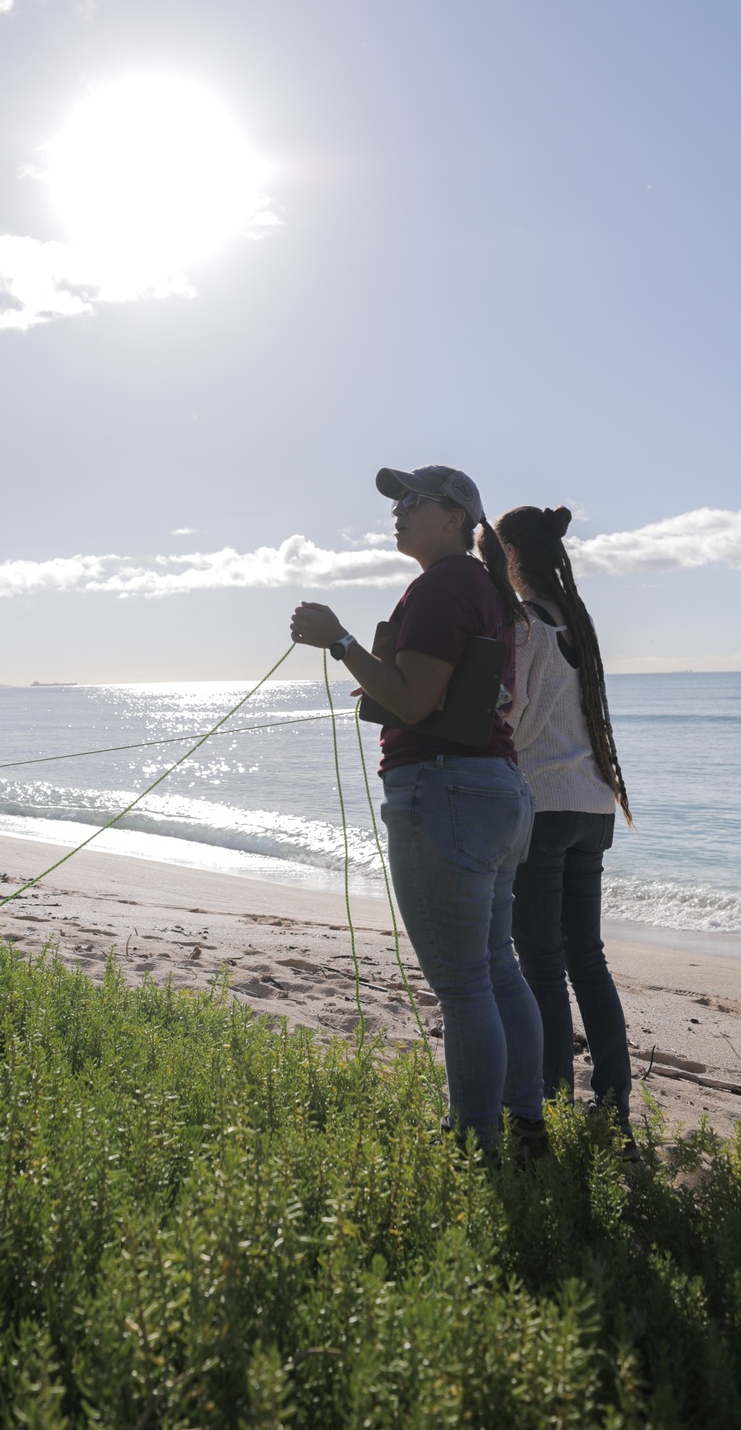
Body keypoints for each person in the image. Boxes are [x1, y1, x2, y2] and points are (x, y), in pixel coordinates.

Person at [291, 465, 544, 1158]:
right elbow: (451, 695)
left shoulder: (442, 585)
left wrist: (338, 641)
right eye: (395, 501)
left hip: (447, 793)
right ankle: (527, 1125)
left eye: (412, 501)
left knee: (465, 985)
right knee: (497, 968)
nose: (397, 511)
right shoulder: (485, 587)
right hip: (495, 787)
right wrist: (382, 680)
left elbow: (414, 702)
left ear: (456, 516)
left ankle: (475, 1144)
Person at [494, 504, 635, 1145]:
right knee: (587, 957)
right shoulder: (578, 624)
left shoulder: (525, 625)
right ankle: (612, 1109)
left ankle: (546, 1102)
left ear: (511, 555)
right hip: (593, 804)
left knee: (542, 964)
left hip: (545, 803)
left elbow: (511, 715)